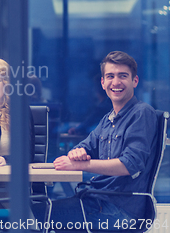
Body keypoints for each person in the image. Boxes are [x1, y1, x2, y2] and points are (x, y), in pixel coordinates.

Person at [44, 51, 158, 230]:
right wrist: (77, 152)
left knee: (36, 214)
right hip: (97, 200)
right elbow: (86, 146)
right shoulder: (108, 119)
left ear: (134, 81)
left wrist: (80, 165)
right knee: (37, 209)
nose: (116, 82)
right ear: (103, 83)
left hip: (119, 210)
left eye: (123, 76)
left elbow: (129, 164)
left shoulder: (141, 113)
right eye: (110, 76)